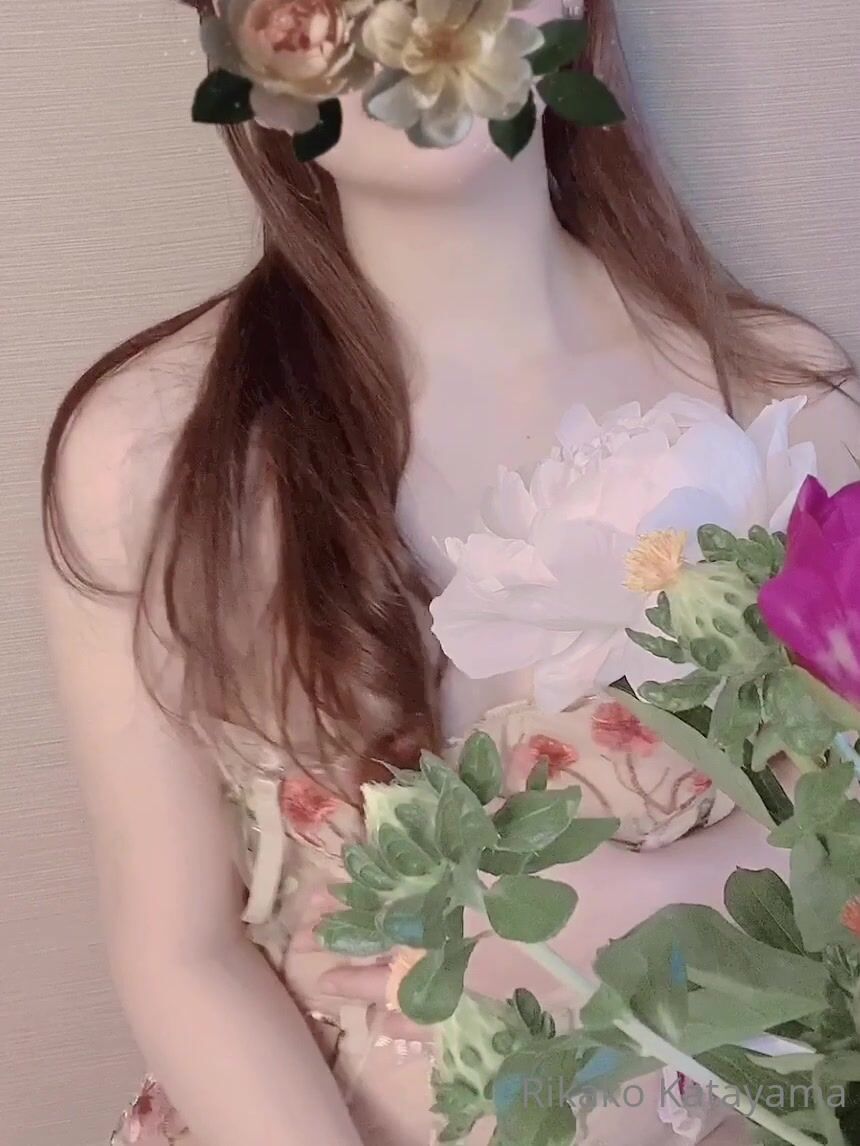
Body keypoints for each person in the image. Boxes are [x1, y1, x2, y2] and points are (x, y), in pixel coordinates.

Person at [39, 0, 859, 1143]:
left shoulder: (776, 401)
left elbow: (839, 841)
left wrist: (631, 906)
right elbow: (178, 947)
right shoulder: (151, 454)